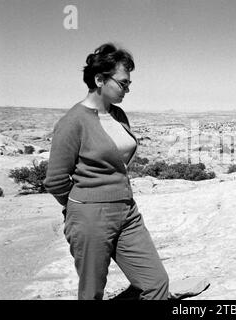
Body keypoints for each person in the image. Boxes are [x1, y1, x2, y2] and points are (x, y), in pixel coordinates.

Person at [44, 43, 169, 300]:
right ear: (100, 79)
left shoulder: (118, 114)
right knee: (92, 293)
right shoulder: (72, 122)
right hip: (89, 216)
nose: (128, 89)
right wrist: (82, 206)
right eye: (123, 83)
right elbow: (55, 180)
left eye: (129, 83)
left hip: (127, 212)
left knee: (156, 283)